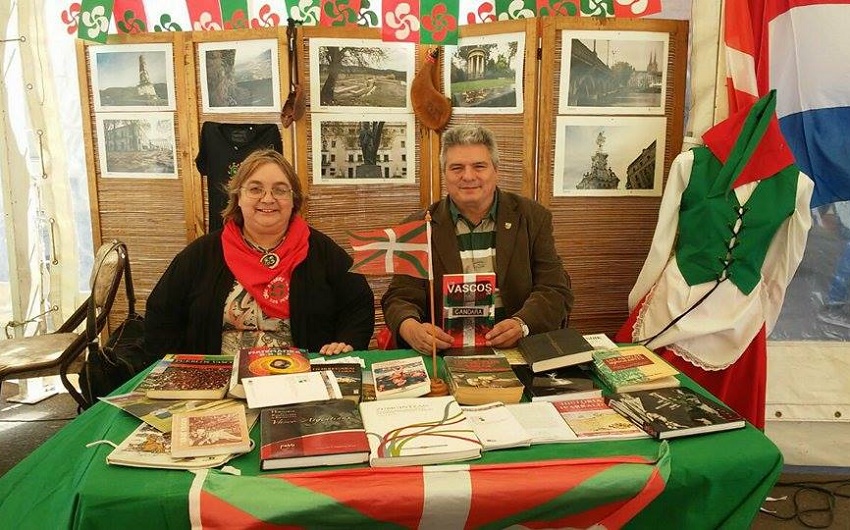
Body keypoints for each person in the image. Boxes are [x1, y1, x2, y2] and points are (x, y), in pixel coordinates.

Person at [145, 149, 375, 357]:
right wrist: (182, 367)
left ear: (293, 199)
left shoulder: (323, 251)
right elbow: (161, 313)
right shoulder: (201, 254)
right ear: (238, 197)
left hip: (303, 380)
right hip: (220, 384)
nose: (268, 198)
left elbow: (358, 305)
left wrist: (345, 344)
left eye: (280, 190)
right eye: (255, 189)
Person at [381, 125, 573, 354]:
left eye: (479, 166)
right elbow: (400, 297)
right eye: (457, 168)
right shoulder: (418, 226)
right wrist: (409, 327)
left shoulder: (532, 217)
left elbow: (554, 289)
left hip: (519, 349)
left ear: (496, 170)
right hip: (444, 352)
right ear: (445, 174)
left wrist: (522, 324)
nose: (468, 176)